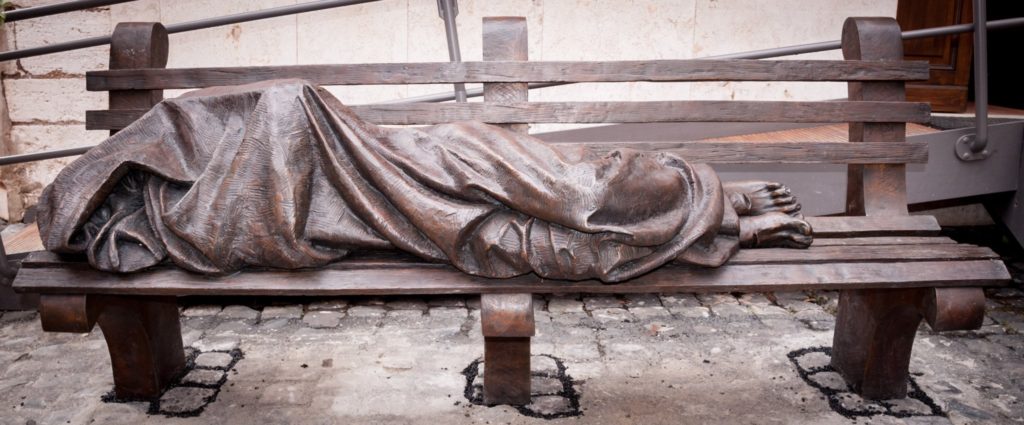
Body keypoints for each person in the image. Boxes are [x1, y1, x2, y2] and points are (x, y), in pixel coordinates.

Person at [37, 79, 811, 283]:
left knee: (576, 187)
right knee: (522, 243)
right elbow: (264, 232)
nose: (108, 216)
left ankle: (707, 198)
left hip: (412, 156)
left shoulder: (193, 139)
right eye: (97, 221)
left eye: (101, 199)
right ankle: (724, 220)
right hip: (394, 215)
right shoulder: (186, 226)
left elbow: (288, 108)